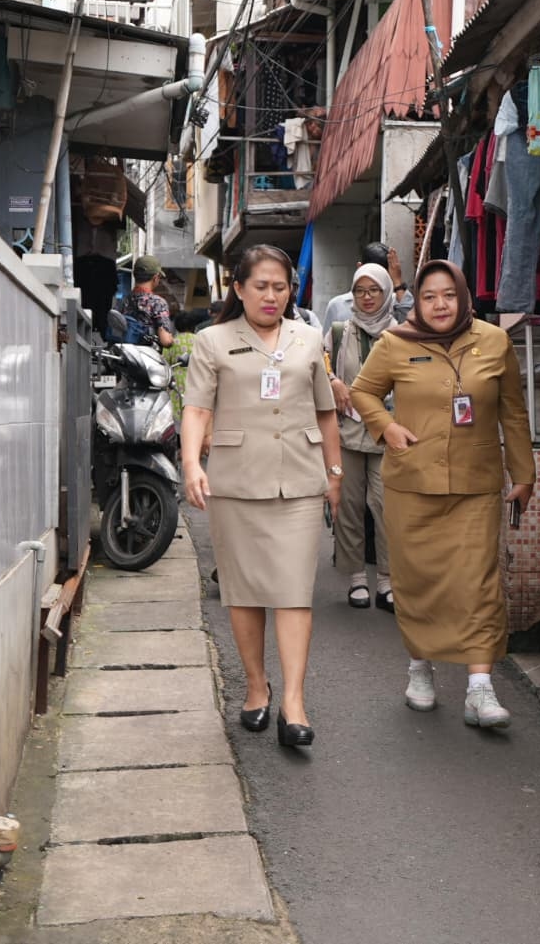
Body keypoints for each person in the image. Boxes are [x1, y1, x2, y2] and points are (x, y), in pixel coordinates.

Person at [350, 259, 535, 729]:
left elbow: (513, 411)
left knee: (479, 581)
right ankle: (420, 669)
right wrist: (387, 428)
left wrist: (524, 472)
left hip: (476, 484)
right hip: (412, 484)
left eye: (448, 295)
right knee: (418, 582)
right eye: (429, 296)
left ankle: (479, 687)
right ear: (416, 300)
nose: (439, 304)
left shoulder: (493, 341)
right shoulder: (395, 344)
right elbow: (362, 392)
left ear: (464, 296)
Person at [181, 244, 343, 748]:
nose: (272, 296)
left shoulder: (310, 337)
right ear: (238, 288)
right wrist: (190, 464)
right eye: (261, 286)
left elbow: (325, 411)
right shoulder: (212, 341)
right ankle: (256, 687)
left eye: (281, 287)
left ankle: (293, 701)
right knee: (245, 591)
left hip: (298, 479)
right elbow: (197, 410)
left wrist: (334, 473)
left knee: (295, 591)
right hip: (236, 481)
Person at [324, 263, 397, 613]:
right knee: (349, 507)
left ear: (386, 293)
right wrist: (333, 381)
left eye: (374, 291)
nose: (367, 298)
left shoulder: (401, 332)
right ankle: (356, 578)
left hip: (388, 434)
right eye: (360, 291)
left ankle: (386, 580)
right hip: (347, 433)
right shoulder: (340, 332)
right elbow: (319, 365)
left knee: (385, 507)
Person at [320, 242, 407, 333]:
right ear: (360, 268)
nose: (367, 297)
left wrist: (398, 282)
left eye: (374, 289)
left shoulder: (396, 305)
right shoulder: (337, 306)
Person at [117, 254, 175, 348]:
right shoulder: (158, 303)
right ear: (155, 278)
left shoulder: (125, 300)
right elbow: (166, 341)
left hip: (124, 353)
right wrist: (171, 339)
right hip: (146, 357)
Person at [163, 309, 200, 419]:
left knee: (176, 413)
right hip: (197, 380)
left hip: (176, 382)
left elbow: (164, 363)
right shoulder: (200, 340)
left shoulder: (172, 342)